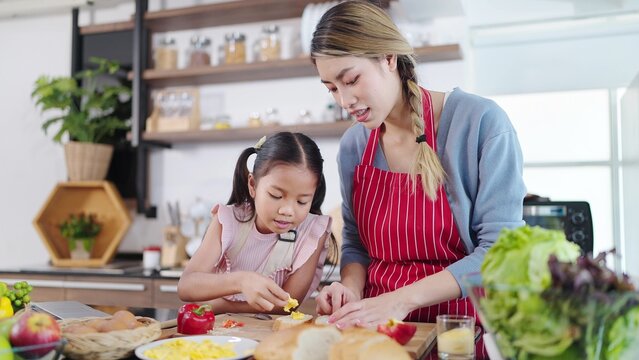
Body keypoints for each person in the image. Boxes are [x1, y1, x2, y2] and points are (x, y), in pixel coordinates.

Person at [312, 1, 526, 357]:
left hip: (459, 333)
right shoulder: (354, 144)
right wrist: (349, 287)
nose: (344, 100)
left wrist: (400, 300)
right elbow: (355, 243)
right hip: (378, 336)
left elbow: (499, 253)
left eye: (351, 80)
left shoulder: (481, 124)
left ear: (388, 58)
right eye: (331, 88)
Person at [178, 132, 337, 314]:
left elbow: (286, 305)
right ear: (253, 185)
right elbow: (186, 285)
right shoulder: (228, 220)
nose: (288, 210)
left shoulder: (312, 231)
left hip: (268, 337)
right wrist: (241, 281)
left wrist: (219, 305)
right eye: (276, 196)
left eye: (302, 201)